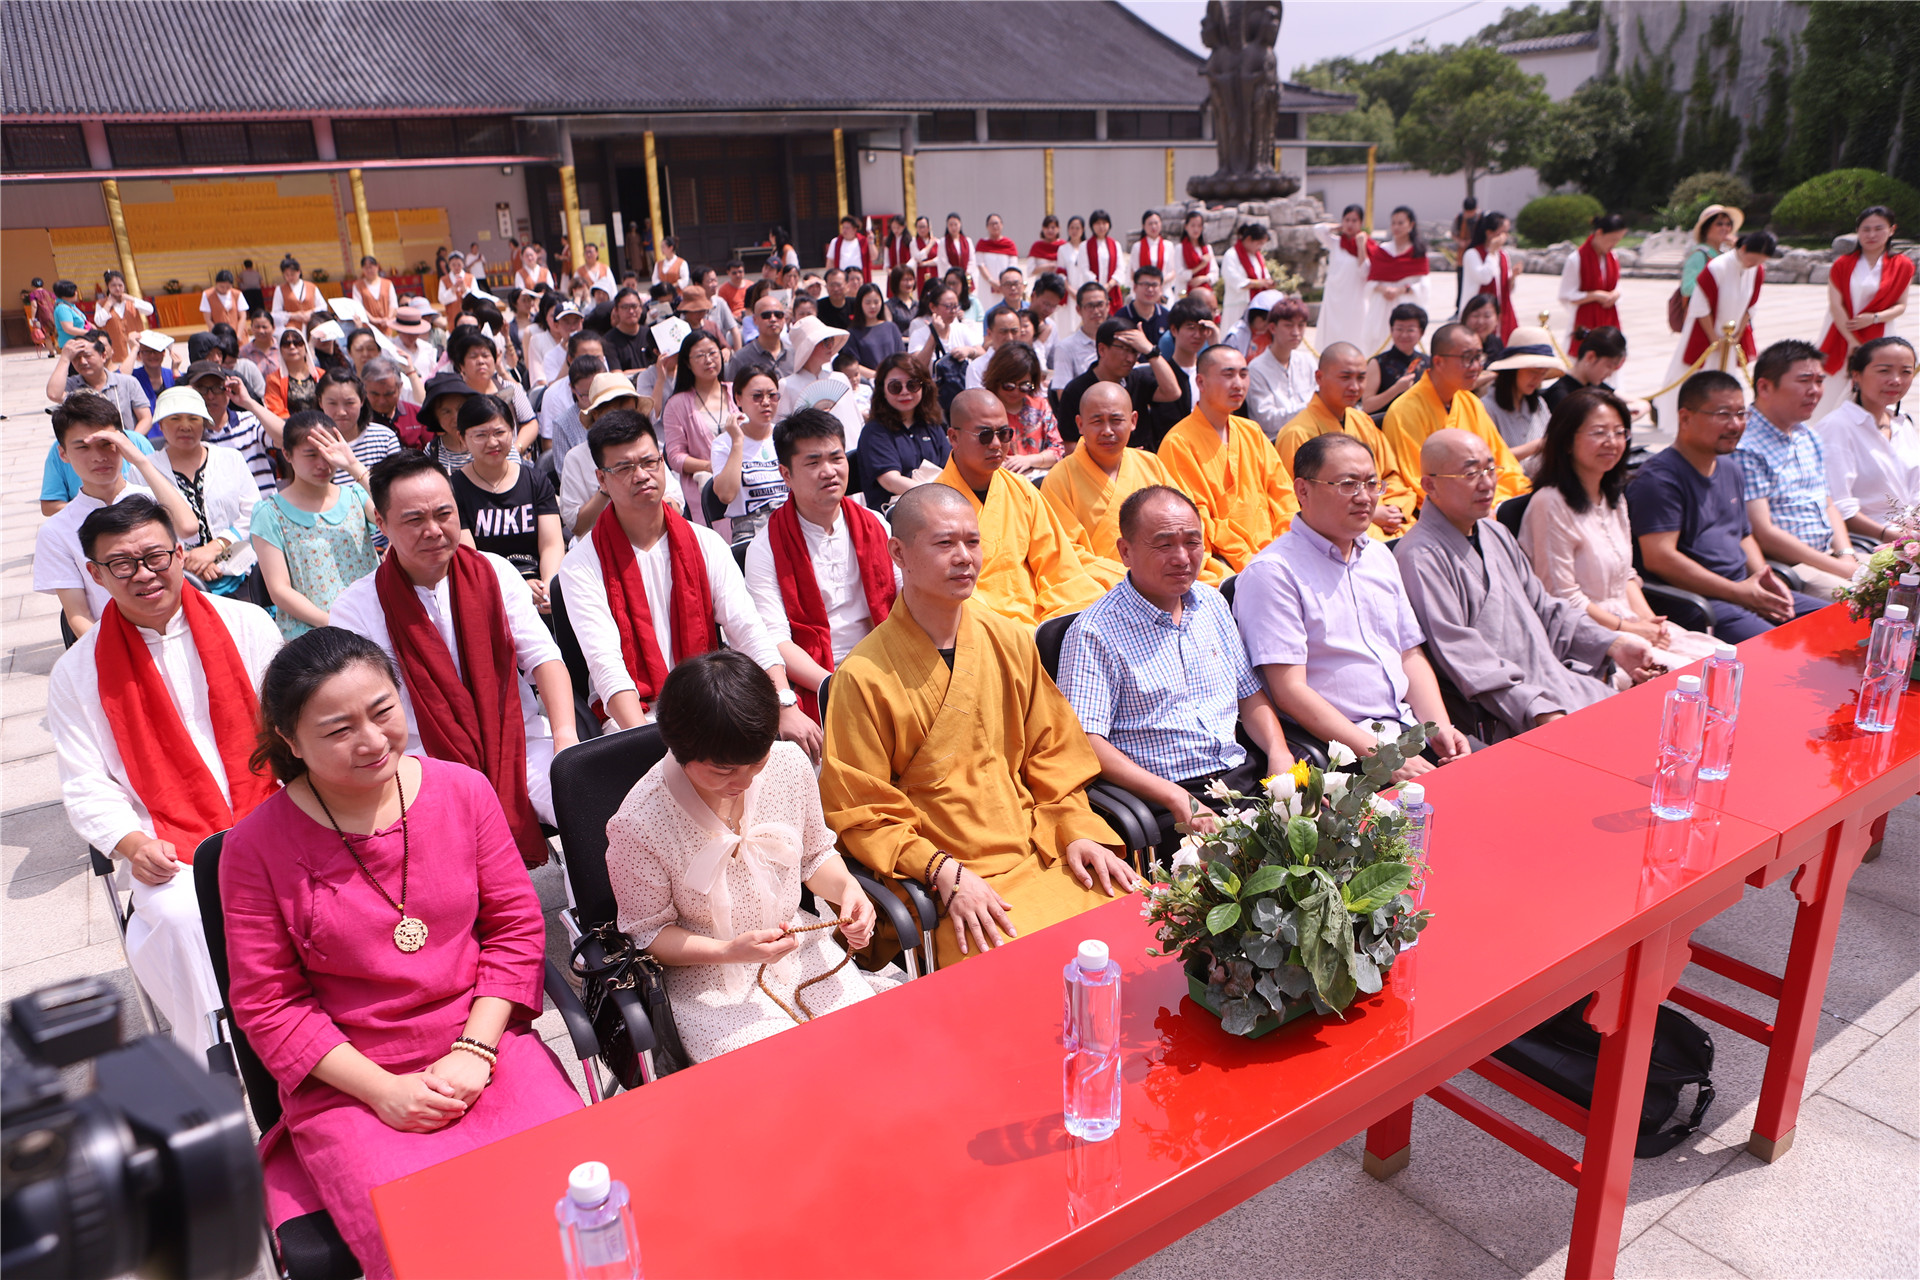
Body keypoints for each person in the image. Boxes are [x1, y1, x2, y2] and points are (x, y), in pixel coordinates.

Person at [222, 628, 582, 1279]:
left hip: (483, 1041)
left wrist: (475, 1052)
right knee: (433, 1244)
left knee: (576, 1202)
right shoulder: (253, 850)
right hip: (354, 1078)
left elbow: (514, 931)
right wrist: (385, 1092)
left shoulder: (462, 791)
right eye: (338, 730)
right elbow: (269, 1003)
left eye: (383, 711)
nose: (372, 740)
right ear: (289, 740)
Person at [820, 484, 1135, 967]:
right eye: (945, 544)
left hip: (1039, 846)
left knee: (1140, 923)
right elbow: (863, 811)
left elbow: (1053, 753)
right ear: (898, 552)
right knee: (1026, 974)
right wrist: (943, 873)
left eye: (973, 542)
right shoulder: (863, 676)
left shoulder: (1010, 639)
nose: (964, 557)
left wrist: (1076, 829)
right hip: (953, 878)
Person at [49, 496, 278, 1059]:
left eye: (155, 556)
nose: (143, 574)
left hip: (276, 814)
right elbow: (85, 783)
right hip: (169, 842)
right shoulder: (77, 674)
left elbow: (293, 728)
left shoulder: (247, 624)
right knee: (178, 917)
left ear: (181, 554)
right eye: (122, 564)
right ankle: (224, 1058)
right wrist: (131, 844)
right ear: (95, 574)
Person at [608, 648, 884, 1061]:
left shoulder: (788, 765)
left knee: (870, 1046)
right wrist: (729, 951)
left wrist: (847, 891)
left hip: (799, 951)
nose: (743, 779)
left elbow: (813, 857)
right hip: (708, 982)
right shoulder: (640, 822)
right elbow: (648, 934)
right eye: (723, 770)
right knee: (780, 1075)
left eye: (756, 762)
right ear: (679, 749)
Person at [328, 453, 575, 843]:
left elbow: (544, 660)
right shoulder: (355, 608)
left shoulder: (494, 571)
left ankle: (585, 907)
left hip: (518, 745)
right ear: (381, 523)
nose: (434, 530)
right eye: (414, 520)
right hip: (421, 763)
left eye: (444, 514)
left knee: (588, 806)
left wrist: (565, 744)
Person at [554, 412, 815, 753]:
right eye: (625, 468)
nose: (642, 475)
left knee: (797, 755)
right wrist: (648, 744)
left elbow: (748, 629)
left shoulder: (705, 543)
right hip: (637, 715)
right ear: (601, 479)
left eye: (650, 461)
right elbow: (606, 665)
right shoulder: (581, 564)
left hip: (713, 696)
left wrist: (784, 702)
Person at [1060, 485, 1289, 849]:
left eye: (1192, 542)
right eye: (1164, 545)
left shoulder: (1211, 603)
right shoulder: (1094, 632)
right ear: (1125, 551)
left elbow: (1249, 695)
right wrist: (1175, 798)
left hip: (1241, 774)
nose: (1182, 558)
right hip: (1168, 796)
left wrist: (1280, 754)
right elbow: (1087, 743)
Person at [1234, 433, 1469, 778]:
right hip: (1345, 752)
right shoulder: (1273, 573)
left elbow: (1409, 653)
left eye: (1372, 484)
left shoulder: (1377, 554)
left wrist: (1439, 728)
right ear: (1302, 490)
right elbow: (1289, 692)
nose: (1365, 497)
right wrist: (1382, 757)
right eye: (1348, 484)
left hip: (1407, 731)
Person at [1396, 429, 1653, 739]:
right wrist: (1537, 709)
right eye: (1470, 473)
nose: (1487, 483)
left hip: (1559, 682)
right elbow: (1463, 655)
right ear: (1429, 484)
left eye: (1490, 469)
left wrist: (1612, 643)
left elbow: (1546, 609)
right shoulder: (1419, 556)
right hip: (1511, 711)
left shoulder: (1496, 534)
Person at [1520, 388, 1720, 670]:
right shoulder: (1550, 504)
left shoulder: (1612, 497)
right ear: (1566, 440)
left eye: (1619, 432)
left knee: (1721, 656)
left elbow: (1625, 577)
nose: (1611, 442)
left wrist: (1653, 625)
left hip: (1628, 621)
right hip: (1585, 635)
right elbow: (1563, 598)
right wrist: (1633, 629)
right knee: (1692, 673)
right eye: (1599, 432)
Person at [1628, 371, 1829, 641]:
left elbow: (1743, 535)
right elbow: (1660, 558)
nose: (1735, 425)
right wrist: (1738, 593)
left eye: (1741, 414)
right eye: (1723, 414)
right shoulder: (1659, 479)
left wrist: (1762, 577)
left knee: (1835, 620)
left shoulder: (1730, 467)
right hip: (1699, 602)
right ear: (1685, 417)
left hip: (1743, 590)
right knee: (1781, 648)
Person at [742, 409, 899, 720]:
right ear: (786, 474)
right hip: (818, 679)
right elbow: (775, 639)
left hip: (889, 661)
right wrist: (832, 683)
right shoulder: (765, 548)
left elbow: (909, 595)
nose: (829, 471)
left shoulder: (877, 525)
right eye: (813, 463)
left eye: (836, 458)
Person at [933, 389, 1104, 625]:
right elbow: (944, 589)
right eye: (984, 435)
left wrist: (1059, 620)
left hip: (1036, 618)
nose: (996, 444)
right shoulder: (934, 506)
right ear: (953, 437)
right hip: (977, 624)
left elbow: (1056, 564)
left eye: (1004, 434)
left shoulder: (1021, 490)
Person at [35, 395, 199, 638]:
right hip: (117, 639)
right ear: (63, 453)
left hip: (182, 627)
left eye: (106, 444)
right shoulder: (57, 531)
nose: (99, 457)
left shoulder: (153, 498)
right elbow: (78, 614)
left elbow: (187, 527)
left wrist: (140, 460)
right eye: (82, 447)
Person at [1041, 381, 1217, 588]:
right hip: (1101, 585)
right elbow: (1066, 551)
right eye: (1097, 421)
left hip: (1168, 571)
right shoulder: (1060, 479)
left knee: (1221, 582)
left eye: (1116, 420)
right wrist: (1133, 578)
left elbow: (1187, 520)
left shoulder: (1151, 464)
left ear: (1133, 421)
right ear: (1080, 424)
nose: (1107, 431)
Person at [1736, 339, 1862, 596]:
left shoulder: (1807, 435)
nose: (1815, 390)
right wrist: (1843, 570)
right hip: (1793, 567)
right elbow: (1764, 533)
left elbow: (1827, 503)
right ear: (1765, 387)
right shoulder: (1745, 446)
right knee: (1868, 603)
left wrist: (1846, 555)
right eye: (1805, 381)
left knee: (1904, 583)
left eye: (1819, 381)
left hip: (1832, 556)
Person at [1156, 344, 1297, 573]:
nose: (1238, 384)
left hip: (1279, 551)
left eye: (1243, 374)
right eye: (1228, 374)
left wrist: (1287, 543)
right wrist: (1247, 559)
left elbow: (1283, 494)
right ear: (1201, 382)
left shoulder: (1252, 431)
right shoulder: (1178, 442)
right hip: (1227, 562)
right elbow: (1196, 517)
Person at [252, 412, 382, 638]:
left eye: (329, 453)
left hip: (373, 620)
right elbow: (279, 590)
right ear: (287, 454)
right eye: (311, 454)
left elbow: (396, 511)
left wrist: (352, 464)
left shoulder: (357, 497)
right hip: (313, 636)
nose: (323, 464)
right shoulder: (270, 513)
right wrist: (333, 623)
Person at [1275, 343, 1415, 541]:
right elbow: (1295, 500)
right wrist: (1371, 515)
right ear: (1319, 378)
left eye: (1361, 378)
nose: (1355, 387)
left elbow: (1391, 475)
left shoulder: (1362, 421)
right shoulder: (1297, 433)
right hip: (1337, 532)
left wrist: (1395, 508)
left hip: (1386, 519)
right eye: (1345, 377)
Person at [1384, 322, 1529, 504]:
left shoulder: (1470, 402)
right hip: (1446, 512)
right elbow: (1418, 482)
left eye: (1479, 357)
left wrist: (1521, 497)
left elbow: (1503, 463)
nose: (1476, 366)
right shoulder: (1405, 412)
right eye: (1468, 358)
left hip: (1489, 500)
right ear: (1438, 362)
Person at [444, 395, 563, 605]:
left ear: (513, 431)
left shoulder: (536, 481)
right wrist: (517, 588)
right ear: (462, 438)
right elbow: (471, 557)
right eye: (480, 435)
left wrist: (548, 587)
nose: (492, 442)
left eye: (500, 432)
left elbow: (551, 544)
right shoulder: (453, 489)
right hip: (486, 591)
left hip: (539, 586)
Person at [1657, 229, 1775, 429]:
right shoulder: (1718, 267)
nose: (1753, 265)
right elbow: (1700, 306)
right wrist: (1713, 337)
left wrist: (1738, 332)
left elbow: (1751, 305)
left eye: (1759, 262)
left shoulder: (1757, 271)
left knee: (1725, 377)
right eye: (1752, 259)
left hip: (1731, 336)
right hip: (1707, 333)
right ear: (1743, 248)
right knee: (1695, 373)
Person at [151, 386, 257, 597]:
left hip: (240, 575)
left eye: (193, 418)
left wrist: (215, 548)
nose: (185, 426)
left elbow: (252, 511)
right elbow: (148, 525)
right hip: (178, 580)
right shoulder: (146, 469)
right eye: (174, 419)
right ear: (161, 425)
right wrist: (190, 560)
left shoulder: (230, 459)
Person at [1817, 336, 1918, 542]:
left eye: (1906, 372)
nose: (1896, 380)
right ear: (1856, 376)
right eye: (1884, 371)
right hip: (1869, 541)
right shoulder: (1837, 428)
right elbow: (1839, 505)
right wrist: (1894, 538)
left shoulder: (1903, 422)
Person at [1816, 206, 1914, 418]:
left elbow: (1900, 305)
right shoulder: (1843, 264)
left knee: (1875, 378)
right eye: (1865, 229)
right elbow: (1836, 305)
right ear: (1857, 231)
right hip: (1840, 333)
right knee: (1833, 383)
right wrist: (1852, 340)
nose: (1871, 235)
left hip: (1880, 331)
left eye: (1878, 228)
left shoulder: (1902, 265)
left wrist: (1874, 318)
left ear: (1892, 230)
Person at [659, 328, 741, 527]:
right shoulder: (677, 404)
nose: (709, 360)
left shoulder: (737, 391)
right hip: (705, 491)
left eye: (713, 353)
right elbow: (675, 457)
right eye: (700, 355)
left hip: (745, 484)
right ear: (687, 362)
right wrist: (709, 465)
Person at [859, 354, 949, 510]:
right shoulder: (874, 432)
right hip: (898, 513)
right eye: (895, 386)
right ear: (882, 390)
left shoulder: (932, 425)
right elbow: (891, 480)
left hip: (939, 505)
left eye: (912, 385)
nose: (904, 392)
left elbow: (950, 469)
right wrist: (936, 498)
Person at [709, 368, 788, 546]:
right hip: (751, 528)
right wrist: (738, 442)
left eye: (772, 395)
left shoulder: (786, 436)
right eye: (757, 396)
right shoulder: (724, 443)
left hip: (790, 520)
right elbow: (726, 495)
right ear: (738, 398)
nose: (766, 402)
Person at [183, 359, 277, 496]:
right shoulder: (188, 436)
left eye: (217, 388)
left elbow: (285, 439)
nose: (210, 396)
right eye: (202, 389)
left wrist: (248, 402)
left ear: (227, 389)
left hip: (266, 510)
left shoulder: (249, 421)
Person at [1483, 327, 1570, 465]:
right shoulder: (1487, 408)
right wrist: (1535, 446)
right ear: (1513, 370)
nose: (1538, 380)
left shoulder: (1539, 404)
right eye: (1533, 372)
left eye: (1542, 374)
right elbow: (1488, 458)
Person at [45, 331, 151, 442]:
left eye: (87, 356)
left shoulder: (127, 382)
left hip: (128, 446)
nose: (82, 362)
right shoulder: (72, 386)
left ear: (103, 356)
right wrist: (65, 358)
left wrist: (129, 441)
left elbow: (145, 418)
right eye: (76, 358)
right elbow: (53, 394)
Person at [1243, 295, 1318, 440]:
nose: (1296, 332)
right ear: (1272, 328)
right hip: (1276, 442)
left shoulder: (1307, 361)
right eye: (1289, 325)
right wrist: (1312, 407)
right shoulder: (1256, 368)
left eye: (1301, 325)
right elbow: (1267, 420)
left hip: (1311, 436)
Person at [981, 342, 1062, 475]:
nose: (1015, 392)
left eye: (1024, 386)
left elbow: (1058, 449)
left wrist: (1029, 460)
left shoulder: (1041, 407)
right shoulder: (983, 411)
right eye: (1009, 386)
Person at [1360, 206, 1430, 358]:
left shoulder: (1417, 252)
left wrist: (1401, 290)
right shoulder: (1382, 251)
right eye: (1394, 223)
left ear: (1411, 225)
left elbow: (1424, 284)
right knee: (1378, 344)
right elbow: (1370, 279)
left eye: (1401, 223)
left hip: (1406, 302)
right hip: (1382, 305)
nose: (1396, 227)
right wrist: (1383, 289)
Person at [1559, 214, 1627, 346]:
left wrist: (1616, 293)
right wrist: (1595, 296)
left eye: (1618, 240)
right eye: (1612, 239)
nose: (1614, 244)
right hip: (1584, 319)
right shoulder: (1576, 259)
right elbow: (1566, 294)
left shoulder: (1612, 257)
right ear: (1599, 233)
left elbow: (1616, 284)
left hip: (1608, 317)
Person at [1313, 205, 1372, 352]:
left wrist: (1361, 247)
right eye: (1347, 220)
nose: (1350, 224)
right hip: (1334, 299)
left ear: (1361, 223)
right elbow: (1318, 230)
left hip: (1354, 299)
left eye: (1354, 220)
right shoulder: (1336, 243)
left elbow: (1365, 272)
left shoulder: (1368, 245)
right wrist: (1339, 227)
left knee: (1354, 335)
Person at [1542, 325, 1628, 416]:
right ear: (1591, 357)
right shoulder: (1561, 394)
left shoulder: (1595, 386)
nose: (1610, 374)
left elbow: (1636, 403)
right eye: (1609, 366)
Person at [1459, 212, 1516, 343]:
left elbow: (1505, 288)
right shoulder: (1472, 254)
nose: (1505, 237)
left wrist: (1513, 278)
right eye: (1502, 233)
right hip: (1478, 311)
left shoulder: (1503, 255)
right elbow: (1484, 277)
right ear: (1489, 233)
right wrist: (1491, 253)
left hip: (1499, 311)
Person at [726, 291, 792, 383]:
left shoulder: (796, 354)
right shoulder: (740, 359)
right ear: (755, 320)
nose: (773, 319)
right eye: (766, 315)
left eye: (778, 315)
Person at [843, 282, 905, 378]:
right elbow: (852, 365)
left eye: (876, 302)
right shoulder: (853, 333)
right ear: (860, 304)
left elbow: (902, 356)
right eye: (868, 302)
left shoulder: (891, 327)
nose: (872, 306)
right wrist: (878, 375)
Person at [93, 270, 154, 368]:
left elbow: (150, 310)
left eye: (120, 285)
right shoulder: (101, 303)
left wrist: (131, 298)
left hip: (137, 351)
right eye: (113, 285)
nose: (117, 288)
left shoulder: (131, 302)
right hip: (117, 351)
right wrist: (109, 304)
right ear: (108, 286)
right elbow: (99, 322)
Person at [1219, 222, 1273, 332]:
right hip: (1237, 306)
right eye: (1259, 243)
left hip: (1255, 306)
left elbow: (1265, 276)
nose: (1260, 247)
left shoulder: (1258, 257)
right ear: (1249, 239)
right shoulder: (1231, 255)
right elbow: (1235, 281)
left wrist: (1268, 283)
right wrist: (1258, 283)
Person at [264, 325, 320, 417]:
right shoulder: (273, 380)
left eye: (297, 343)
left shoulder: (321, 375)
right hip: (290, 428)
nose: (292, 347)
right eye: (286, 344)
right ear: (280, 350)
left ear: (305, 347)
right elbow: (277, 412)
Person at [1116, 263, 1170, 350]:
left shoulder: (1167, 316)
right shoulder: (1121, 317)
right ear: (1135, 287)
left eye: (1154, 285)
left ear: (1161, 289)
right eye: (1145, 284)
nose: (1150, 289)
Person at [1082, 209, 1128, 303]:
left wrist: (1109, 285)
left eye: (1104, 223)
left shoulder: (1115, 245)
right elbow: (1084, 269)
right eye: (1098, 223)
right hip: (1092, 290)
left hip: (1112, 290)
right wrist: (1097, 285)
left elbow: (1120, 268)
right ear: (1092, 225)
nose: (1101, 226)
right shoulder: (1085, 246)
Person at [269, 256, 323, 337]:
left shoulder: (311, 287)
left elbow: (322, 306)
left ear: (299, 272)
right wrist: (293, 315)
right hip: (292, 328)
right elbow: (275, 313)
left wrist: (310, 313)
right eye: (286, 275)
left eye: (292, 274)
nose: (290, 277)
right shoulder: (280, 290)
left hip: (312, 325)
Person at [1173, 210, 1217, 298]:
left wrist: (1203, 279)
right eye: (1193, 225)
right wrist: (1201, 266)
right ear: (1186, 227)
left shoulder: (1207, 248)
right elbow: (1180, 274)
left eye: (1199, 226)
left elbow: (1215, 272)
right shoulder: (1180, 248)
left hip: (1204, 292)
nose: (1196, 229)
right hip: (1185, 291)